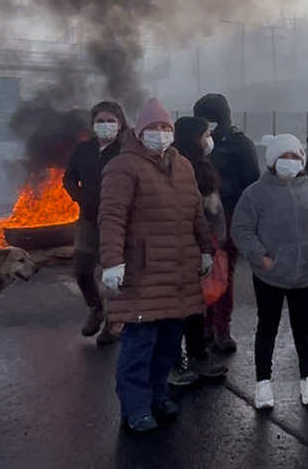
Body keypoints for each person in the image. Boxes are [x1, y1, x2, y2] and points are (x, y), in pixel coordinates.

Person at [99, 98, 215, 432]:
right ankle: (135, 407)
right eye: (153, 128)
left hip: (178, 271)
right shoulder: (124, 167)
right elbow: (111, 217)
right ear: (139, 132)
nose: (160, 134)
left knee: (167, 343)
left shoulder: (183, 166)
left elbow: (196, 213)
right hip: (142, 272)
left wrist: (206, 250)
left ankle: (158, 394)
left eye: (165, 127)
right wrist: (112, 262)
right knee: (140, 344)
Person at [232, 134, 308, 409]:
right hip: (270, 275)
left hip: (305, 274)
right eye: (284, 157)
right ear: (272, 161)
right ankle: (263, 383)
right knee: (267, 327)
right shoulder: (255, 193)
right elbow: (242, 228)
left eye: (294, 157)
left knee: (302, 328)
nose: (289, 162)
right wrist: (261, 257)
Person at [167, 117, 232, 386]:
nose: (209, 140)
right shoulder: (179, 168)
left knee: (195, 304)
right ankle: (172, 363)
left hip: (207, 242)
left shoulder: (201, 165)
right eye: (205, 135)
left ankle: (197, 354)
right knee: (177, 307)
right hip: (186, 246)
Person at [194, 93, 260, 353]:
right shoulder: (195, 144)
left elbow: (251, 181)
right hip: (198, 217)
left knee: (222, 273)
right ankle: (204, 324)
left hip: (228, 216)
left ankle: (221, 327)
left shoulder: (239, 144)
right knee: (200, 273)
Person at [63, 101, 127, 345]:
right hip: (89, 219)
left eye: (111, 120)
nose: (106, 125)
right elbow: (69, 177)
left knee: (114, 274)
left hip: (119, 221)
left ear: (120, 123)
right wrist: (79, 197)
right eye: (100, 121)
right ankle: (96, 308)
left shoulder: (126, 150)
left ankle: (115, 323)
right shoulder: (84, 150)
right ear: (93, 124)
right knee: (82, 270)